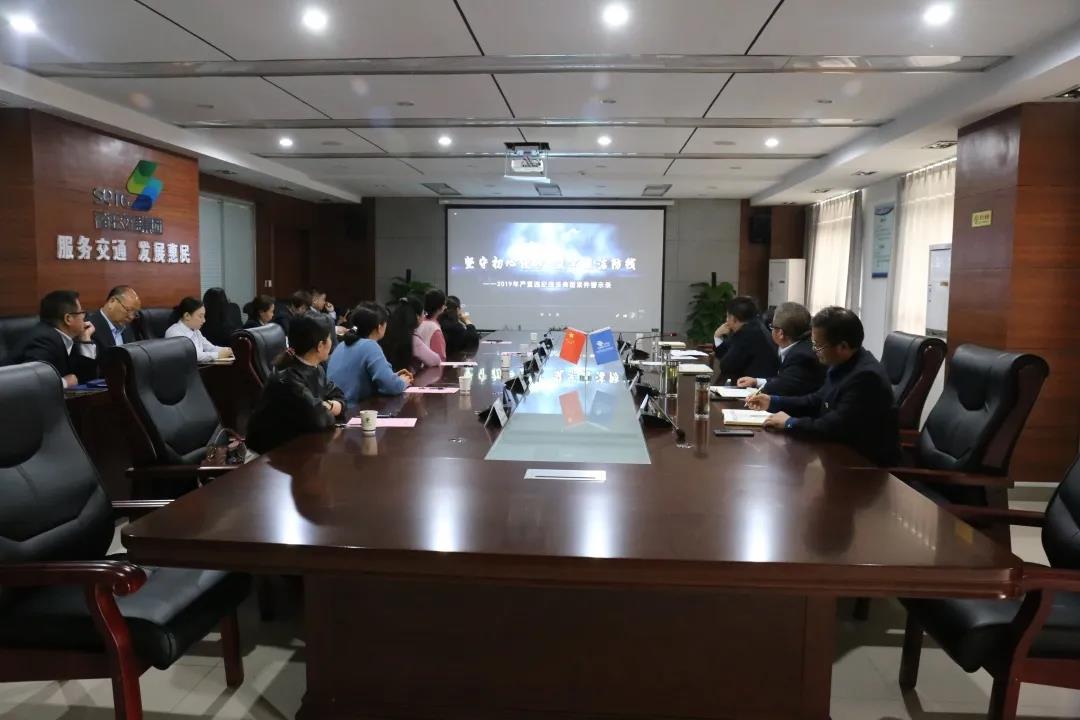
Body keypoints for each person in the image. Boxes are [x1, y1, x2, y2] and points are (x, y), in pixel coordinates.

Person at [746, 306, 900, 466]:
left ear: (842, 347)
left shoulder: (865, 377)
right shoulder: (843, 363)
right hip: (838, 455)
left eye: (818, 346)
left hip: (864, 466)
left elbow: (833, 427)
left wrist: (790, 422)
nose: (814, 350)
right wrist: (773, 401)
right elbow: (817, 399)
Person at [246, 314, 346, 454]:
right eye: (329, 338)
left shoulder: (316, 368)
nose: (331, 342)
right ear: (320, 346)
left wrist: (327, 405)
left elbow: (339, 396)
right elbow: (320, 419)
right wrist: (329, 407)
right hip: (268, 456)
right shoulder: (287, 378)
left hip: (296, 447)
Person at [327, 302, 413, 404]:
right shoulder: (370, 346)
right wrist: (403, 381)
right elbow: (392, 386)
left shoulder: (342, 345)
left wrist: (392, 377)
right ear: (379, 327)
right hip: (352, 409)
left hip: (337, 408)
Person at [736, 301, 824, 397]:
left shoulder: (801, 356)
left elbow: (781, 387)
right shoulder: (801, 347)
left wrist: (754, 392)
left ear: (780, 333)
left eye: (772, 327)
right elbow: (784, 379)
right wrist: (756, 382)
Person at [16, 290, 99, 387]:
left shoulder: (69, 338)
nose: (84, 317)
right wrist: (65, 382)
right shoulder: (44, 339)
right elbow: (32, 382)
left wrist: (85, 340)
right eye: (81, 312)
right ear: (68, 319)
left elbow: (88, 378)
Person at [712, 296, 779, 385]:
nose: (726, 321)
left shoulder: (747, 333)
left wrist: (717, 337)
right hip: (756, 382)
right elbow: (725, 354)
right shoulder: (754, 326)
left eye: (727, 317)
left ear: (734, 319)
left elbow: (726, 366)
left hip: (755, 387)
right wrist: (718, 336)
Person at [164, 297, 234, 363]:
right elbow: (195, 355)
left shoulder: (195, 330)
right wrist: (218, 355)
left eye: (204, 316)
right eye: (200, 316)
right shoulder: (174, 332)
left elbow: (210, 347)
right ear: (187, 316)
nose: (204, 320)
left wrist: (229, 350)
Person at [380, 297, 440, 373]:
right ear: (417, 316)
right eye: (424, 313)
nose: (424, 316)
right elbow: (435, 360)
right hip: (405, 378)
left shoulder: (385, 332)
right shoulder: (412, 338)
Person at [88, 285, 141, 353]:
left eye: (135, 314)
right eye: (127, 310)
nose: (131, 317)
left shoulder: (129, 327)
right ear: (112, 301)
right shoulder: (90, 328)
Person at [416, 288, 447, 361]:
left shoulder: (418, 322)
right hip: (429, 366)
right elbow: (440, 358)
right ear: (441, 307)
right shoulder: (435, 329)